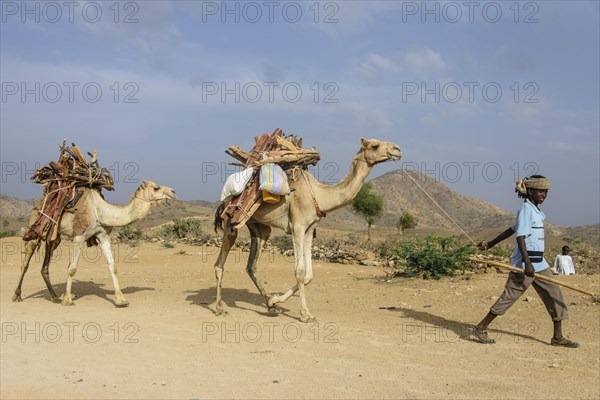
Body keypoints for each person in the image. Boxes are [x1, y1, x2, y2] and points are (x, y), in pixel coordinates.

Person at [472, 175, 579, 348]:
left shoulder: (535, 211)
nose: (543, 194)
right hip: (525, 265)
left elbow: (511, 230)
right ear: (530, 191)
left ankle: (557, 337)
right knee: (509, 297)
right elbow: (520, 236)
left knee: (555, 294)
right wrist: (527, 264)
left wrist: (490, 244)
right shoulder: (526, 209)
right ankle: (480, 327)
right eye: (540, 191)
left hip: (540, 264)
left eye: (546, 192)